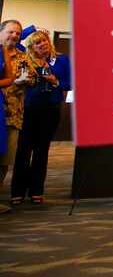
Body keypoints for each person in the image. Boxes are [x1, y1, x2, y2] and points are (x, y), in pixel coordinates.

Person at [10, 30, 70, 204]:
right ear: (32, 47)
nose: (42, 44)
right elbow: (15, 39)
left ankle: (37, 190)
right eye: (37, 43)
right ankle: (18, 192)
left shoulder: (61, 60)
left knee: (41, 151)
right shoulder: (26, 59)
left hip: (50, 110)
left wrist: (55, 81)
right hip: (28, 109)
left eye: (44, 40)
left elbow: (70, 82)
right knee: (23, 151)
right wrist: (32, 30)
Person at [0, 20, 35, 207]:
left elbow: (32, 80)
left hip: (12, 115)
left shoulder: (23, 57)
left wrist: (26, 81)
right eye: (10, 31)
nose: (14, 35)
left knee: (4, 161)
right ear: (1, 31)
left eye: (18, 33)